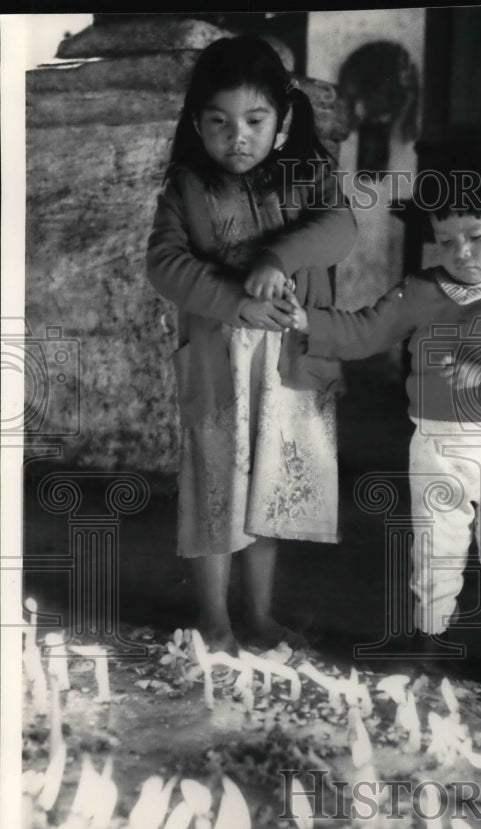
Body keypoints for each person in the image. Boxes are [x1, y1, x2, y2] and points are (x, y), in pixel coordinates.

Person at [282, 149, 481, 686]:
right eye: (446, 240)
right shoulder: (420, 290)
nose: (462, 252)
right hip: (436, 445)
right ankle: (428, 639)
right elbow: (365, 329)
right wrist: (304, 319)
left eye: (476, 236)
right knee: (434, 547)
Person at [146, 37, 356, 654]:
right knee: (218, 494)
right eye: (219, 122)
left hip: (289, 368)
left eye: (255, 121)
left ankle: (258, 616)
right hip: (219, 369)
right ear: (196, 123)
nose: (237, 136)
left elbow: (340, 230)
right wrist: (238, 300)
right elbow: (164, 264)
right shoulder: (186, 187)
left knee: (271, 494)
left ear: (282, 119)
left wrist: (275, 255)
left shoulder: (310, 174)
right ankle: (214, 621)